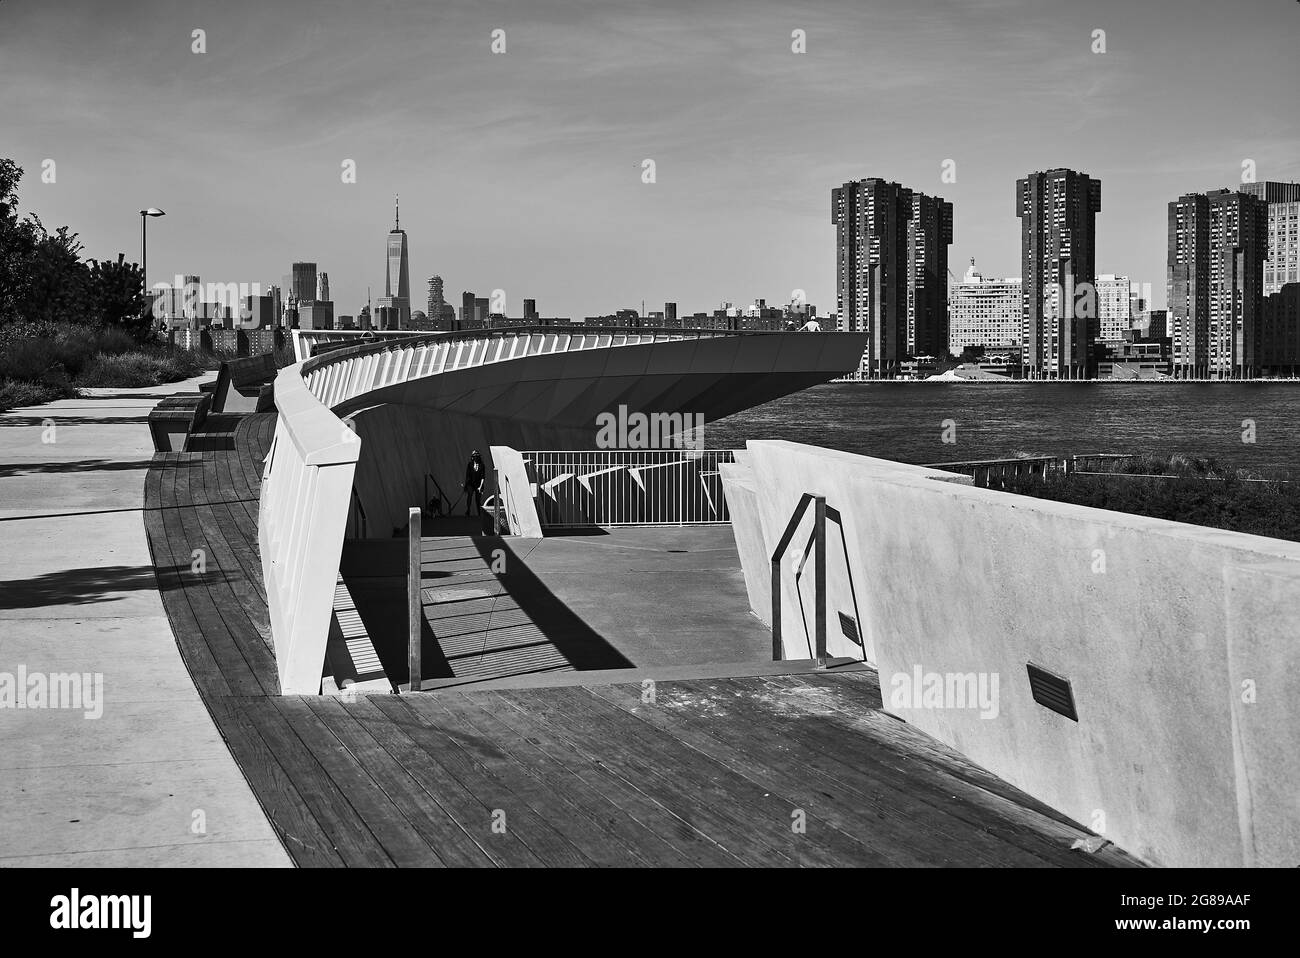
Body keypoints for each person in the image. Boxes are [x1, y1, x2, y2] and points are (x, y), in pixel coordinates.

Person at [463, 450, 486, 517]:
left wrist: (480, 486)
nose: (475, 458)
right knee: (469, 495)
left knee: (478, 499)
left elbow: (483, 477)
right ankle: (468, 510)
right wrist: (466, 485)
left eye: (477, 456)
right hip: (470, 484)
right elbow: (467, 475)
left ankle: (479, 512)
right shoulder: (470, 464)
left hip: (479, 484)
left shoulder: (482, 465)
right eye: (474, 456)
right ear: (472, 457)